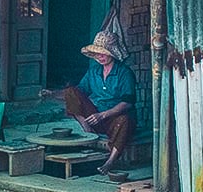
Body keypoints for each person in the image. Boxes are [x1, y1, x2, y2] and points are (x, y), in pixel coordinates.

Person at [42, 31, 136, 173]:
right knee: (71, 91)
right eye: (97, 53)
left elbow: (128, 102)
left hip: (114, 119)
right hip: (94, 120)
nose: (100, 57)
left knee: (126, 121)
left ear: (112, 53)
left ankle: (110, 162)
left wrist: (103, 115)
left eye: (103, 53)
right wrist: (52, 94)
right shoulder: (94, 71)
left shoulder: (124, 73)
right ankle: (88, 130)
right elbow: (78, 93)